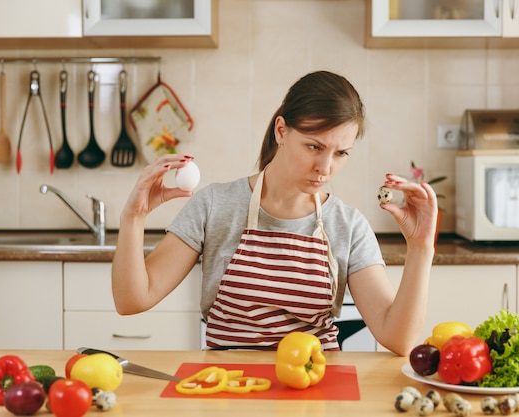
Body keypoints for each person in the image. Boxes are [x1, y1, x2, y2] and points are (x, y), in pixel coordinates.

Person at [112, 70, 438, 355]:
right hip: (230, 388)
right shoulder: (215, 206)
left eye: (341, 153)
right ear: (281, 131)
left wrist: (421, 248)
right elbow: (132, 301)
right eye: (314, 146)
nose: (325, 168)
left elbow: (399, 339)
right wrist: (133, 216)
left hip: (314, 388)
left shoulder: (348, 225)